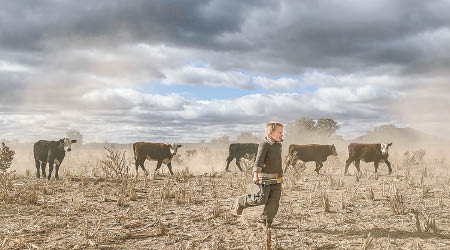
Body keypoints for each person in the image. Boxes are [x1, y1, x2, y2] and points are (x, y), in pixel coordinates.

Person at [234, 121, 284, 227]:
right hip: (264, 178)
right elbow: (259, 161)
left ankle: (265, 220)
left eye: (282, 132)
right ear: (270, 133)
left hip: (277, 178)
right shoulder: (264, 145)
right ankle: (242, 201)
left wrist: (280, 175)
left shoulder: (278, 146)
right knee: (262, 198)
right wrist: (255, 175)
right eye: (279, 132)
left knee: (274, 201)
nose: (281, 134)